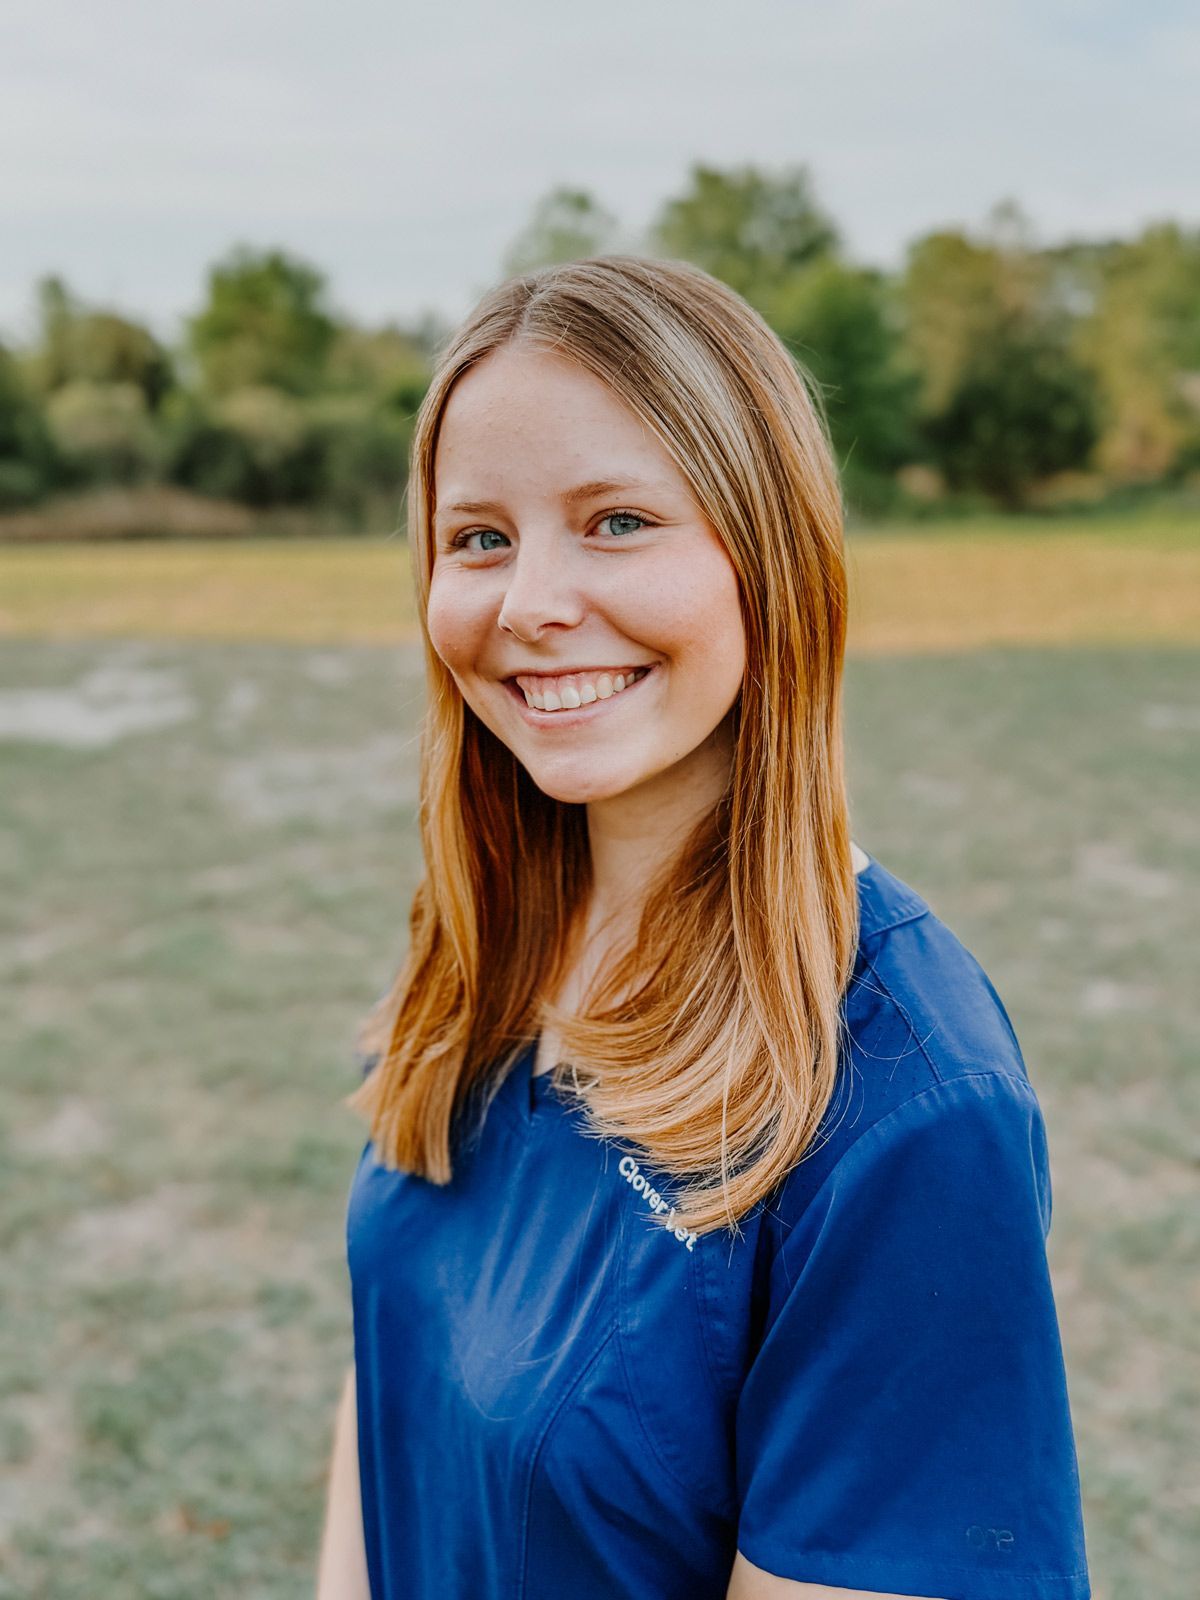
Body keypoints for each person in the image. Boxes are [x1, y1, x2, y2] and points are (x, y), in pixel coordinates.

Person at [315, 256, 1091, 1600]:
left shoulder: (907, 1101)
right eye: (479, 537)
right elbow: (392, 1370)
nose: (531, 602)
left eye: (616, 520)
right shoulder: (489, 934)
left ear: (770, 552)